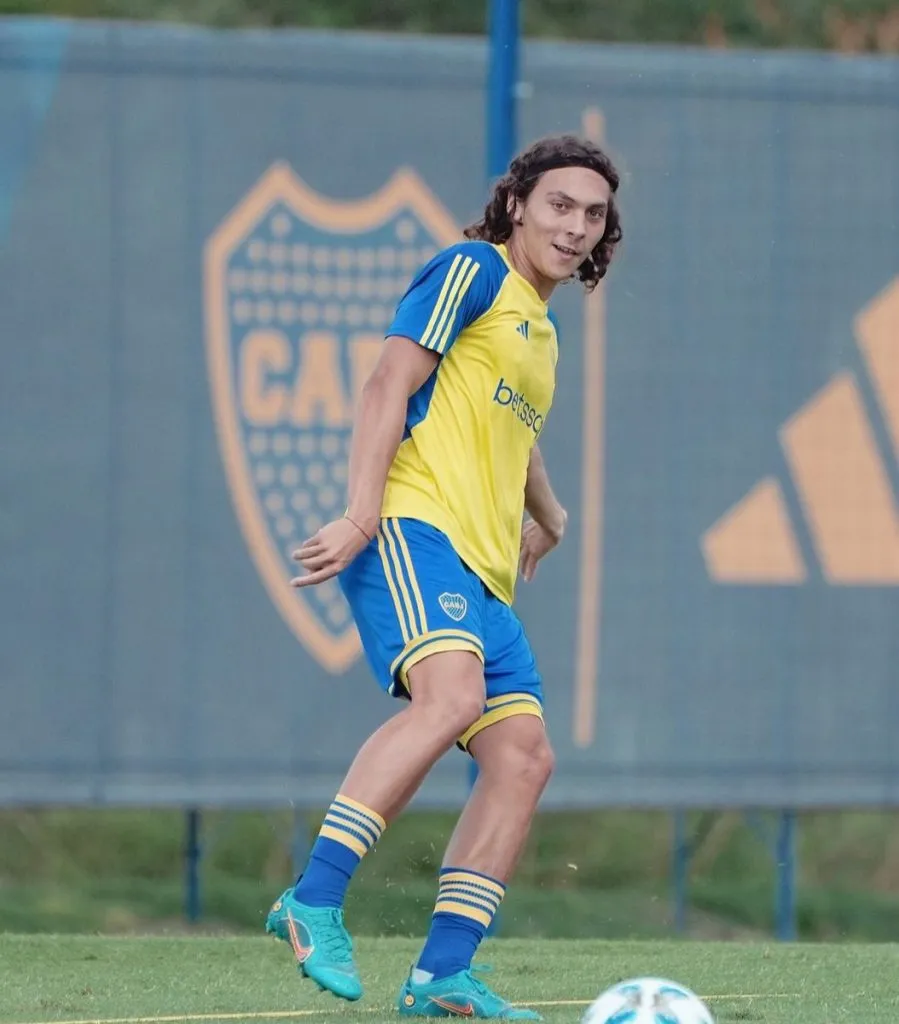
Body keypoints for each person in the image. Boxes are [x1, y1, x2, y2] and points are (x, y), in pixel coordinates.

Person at [265, 133, 623, 1020]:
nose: (575, 226)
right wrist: (361, 512)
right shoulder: (471, 269)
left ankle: (440, 978)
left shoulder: (537, 332)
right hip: (412, 530)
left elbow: (516, 429)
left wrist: (550, 514)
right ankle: (311, 899)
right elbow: (389, 381)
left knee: (524, 758)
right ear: (515, 205)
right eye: (559, 206)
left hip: (483, 570)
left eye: (593, 215)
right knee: (450, 697)